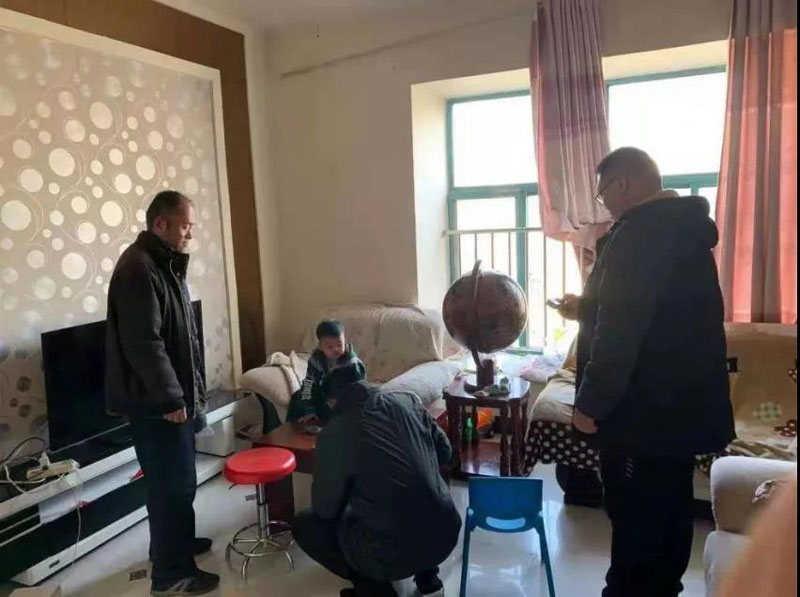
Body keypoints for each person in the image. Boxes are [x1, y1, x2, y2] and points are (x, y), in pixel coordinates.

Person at [551, 147, 735, 597]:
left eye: (603, 195)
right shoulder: (680, 228)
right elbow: (658, 312)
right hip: (679, 408)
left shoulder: (640, 233)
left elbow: (621, 331)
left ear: (622, 184)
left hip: (643, 413)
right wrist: (586, 308)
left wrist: (590, 403)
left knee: (635, 517)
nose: (605, 206)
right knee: (671, 509)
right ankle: (663, 588)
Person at [105, 190, 218, 596]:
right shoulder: (139, 269)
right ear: (160, 224)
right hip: (157, 405)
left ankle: (172, 547)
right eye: (185, 225)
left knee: (176, 484)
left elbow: (179, 335)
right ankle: (172, 575)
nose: (190, 233)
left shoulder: (163, 264)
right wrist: (171, 398)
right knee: (173, 487)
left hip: (169, 399)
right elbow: (144, 344)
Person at [292, 381, 461, 597]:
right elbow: (445, 452)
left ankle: (374, 590)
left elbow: (325, 509)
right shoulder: (408, 400)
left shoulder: (335, 433)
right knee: (414, 499)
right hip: (445, 533)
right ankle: (429, 580)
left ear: (332, 401)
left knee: (306, 524)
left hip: (391, 548)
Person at [285, 319, 366, 423]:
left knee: (340, 412)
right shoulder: (316, 360)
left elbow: (360, 389)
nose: (336, 349)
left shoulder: (353, 363)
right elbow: (309, 382)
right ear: (320, 346)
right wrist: (308, 406)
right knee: (299, 397)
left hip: (344, 398)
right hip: (323, 394)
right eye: (330, 347)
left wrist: (339, 400)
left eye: (339, 344)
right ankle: (298, 424)